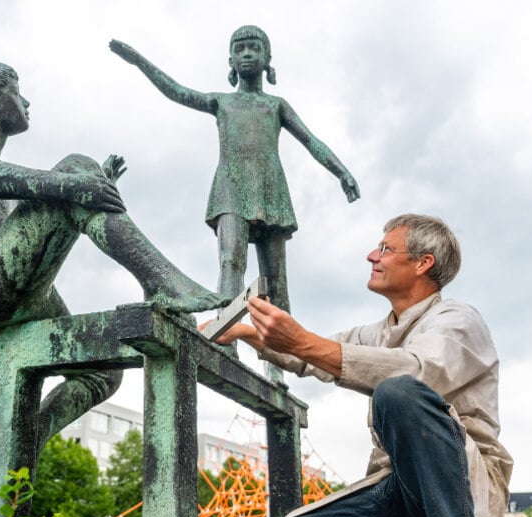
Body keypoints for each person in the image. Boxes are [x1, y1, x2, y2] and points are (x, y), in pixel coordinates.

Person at [212, 214, 513, 517]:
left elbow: (416, 371)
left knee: (398, 391)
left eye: (386, 249)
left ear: (424, 263)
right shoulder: (378, 332)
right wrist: (248, 333)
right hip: (396, 491)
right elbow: (313, 354)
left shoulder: (459, 320)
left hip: (461, 482)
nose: (373, 255)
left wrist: (303, 341)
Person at [0, 61, 225, 447]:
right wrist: (74, 183)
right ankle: (160, 282)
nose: (26, 101)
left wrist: (91, 188)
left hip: (20, 291)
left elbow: (31, 224)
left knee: (100, 372)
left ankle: (25, 444)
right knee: (75, 169)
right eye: (17, 91)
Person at [110, 26, 359, 317]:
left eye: (254, 48)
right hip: (229, 190)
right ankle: (226, 343)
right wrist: (139, 61)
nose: (248, 54)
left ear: (267, 58)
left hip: (270, 190)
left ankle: (277, 358)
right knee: (230, 262)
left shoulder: (276, 105)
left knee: (276, 281)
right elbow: (176, 91)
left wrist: (342, 172)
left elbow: (311, 141)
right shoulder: (221, 102)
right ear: (230, 61)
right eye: (239, 50)